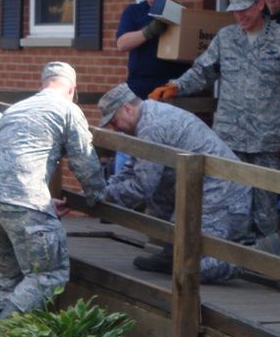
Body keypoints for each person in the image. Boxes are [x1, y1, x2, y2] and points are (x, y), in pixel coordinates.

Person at [149, 0, 280, 247]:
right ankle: (230, 264)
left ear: (260, 4)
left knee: (265, 209)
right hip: (229, 140)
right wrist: (176, 86)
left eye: (245, 9)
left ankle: (268, 266)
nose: (240, 16)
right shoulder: (226, 37)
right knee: (229, 204)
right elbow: (203, 72)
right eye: (235, 10)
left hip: (266, 140)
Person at [0, 62, 106, 325]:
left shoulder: (16, 109)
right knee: (49, 274)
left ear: (42, 84)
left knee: (10, 275)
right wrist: (97, 197)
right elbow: (84, 161)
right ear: (73, 89)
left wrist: (41, 199)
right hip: (22, 198)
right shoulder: (67, 109)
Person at [98, 83, 254, 279]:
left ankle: (255, 257)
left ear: (128, 109)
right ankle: (171, 253)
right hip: (200, 185)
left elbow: (142, 186)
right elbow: (134, 168)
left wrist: (102, 197)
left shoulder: (151, 128)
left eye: (114, 122)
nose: (115, 129)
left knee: (193, 270)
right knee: (160, 187)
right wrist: (106, 188)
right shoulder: (146, 120)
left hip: (221, 191)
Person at [115, 0, 190, 100]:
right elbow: (122, 44)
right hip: (140, 88)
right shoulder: (133, 12)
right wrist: (150, 31)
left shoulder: (179, 11)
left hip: (171, 87)